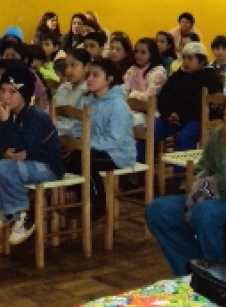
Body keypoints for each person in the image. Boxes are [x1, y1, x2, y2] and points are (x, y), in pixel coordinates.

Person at [145, 79, 226, 276]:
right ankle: (190, 272)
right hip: (213, 200)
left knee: (207, 212)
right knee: (158, 209)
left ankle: (221, 277)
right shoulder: (219, 133)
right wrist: (213, 183)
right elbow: (202, 171)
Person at [0, 65, 65, 245]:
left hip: (46, 166)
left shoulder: (35, 116)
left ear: (24, 94)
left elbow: (21, 146)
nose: (5, 96)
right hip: (20, 163)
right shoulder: (5, 113)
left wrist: (5, 124)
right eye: (1, 90)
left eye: (12, 92)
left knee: (3, 166)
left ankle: (21, 215)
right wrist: (2, 151)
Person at [67, 58, 136, 220]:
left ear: (109, 79)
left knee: (84, 160)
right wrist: (76, 140)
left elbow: (114, 141)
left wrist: (84, 144)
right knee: (72, 156)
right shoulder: (85, 100)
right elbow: (77, 127)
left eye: (95, 75)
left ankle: (97, 206)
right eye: (88, 74)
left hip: (118, 154)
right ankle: (80, 199)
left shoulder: (118, 105)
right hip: (91, 147)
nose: (89, 79)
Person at [156, 42, 222, 152]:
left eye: (190, 59)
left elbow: (201, 104)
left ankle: (183, 169)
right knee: (150, 131)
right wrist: (169, 113)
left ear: (201, 61)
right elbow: (163, 97)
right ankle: (139, 168)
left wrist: (180, 115)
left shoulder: (210, 77)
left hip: (196, 119)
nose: (186, 62)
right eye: (184, 58)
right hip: (172, 118)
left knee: (184, 137)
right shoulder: (177, 76)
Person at [122, 37, 167, 125]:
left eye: (143, 52)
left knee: (124, 121)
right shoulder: (132, 70)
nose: (138, 55)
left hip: (150, 114)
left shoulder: (158, 72)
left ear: (152, 54)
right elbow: (123, 91)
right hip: (131, 109)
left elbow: (148, 97)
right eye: (136, 52)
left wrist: (132, 94)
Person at [52, 49, 91, 137]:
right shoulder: (63, 87)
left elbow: (77, 126)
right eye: (66, 66)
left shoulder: (88, 92)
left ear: (86, 67)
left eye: (73, 65)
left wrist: (53, 126)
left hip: (70, 136)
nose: (68, 70)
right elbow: (50, 111)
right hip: (54, 131)